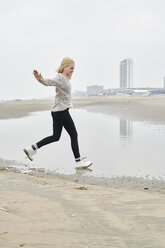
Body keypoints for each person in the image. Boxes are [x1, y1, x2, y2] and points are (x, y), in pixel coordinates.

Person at [23, 57, 92, 169]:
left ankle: (32, 148)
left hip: (56, 111)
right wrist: (40, 79)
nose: (73, 70)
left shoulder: (64, 78)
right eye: (71, 68)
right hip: (62, 111)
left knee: (55, 136)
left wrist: (41, 79)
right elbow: (49, 82)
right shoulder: (61, 78)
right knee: (74, 135)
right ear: (64, 67)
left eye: (73, 68)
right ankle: (78, 161)